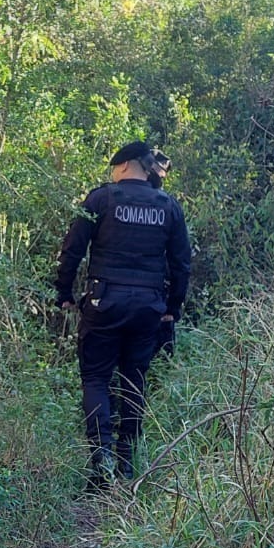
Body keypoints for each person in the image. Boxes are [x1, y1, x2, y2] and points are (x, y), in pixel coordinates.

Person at [55, 141, 192, 490]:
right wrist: (172, 309)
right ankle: (127, 464)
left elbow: (72, 249)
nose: (112, 172)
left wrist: (64, 294)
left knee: (97, 379)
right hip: (148, 307)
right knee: (134, 381)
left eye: (115, 166)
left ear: (128, 165)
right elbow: (181, 263)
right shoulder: (168, 206)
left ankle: (101, 465)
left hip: (104, 303)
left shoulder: (101, 199)